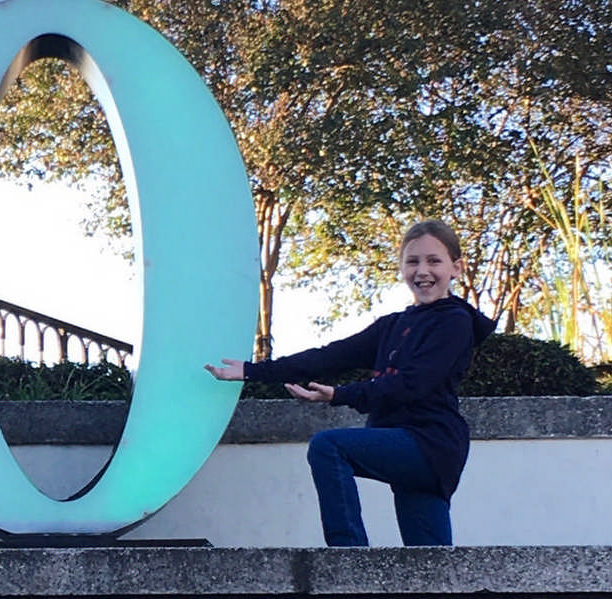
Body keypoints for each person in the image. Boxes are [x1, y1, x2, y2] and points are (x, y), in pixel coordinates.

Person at [205, 220, 496, 547]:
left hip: (429, 444)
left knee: (329, 447)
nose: (422, 271)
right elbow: (328, 357)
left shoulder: (455, 322)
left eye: (434, 261)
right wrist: (251, 371)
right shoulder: (392, 326)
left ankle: (348, 556)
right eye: (412, 261)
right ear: (401, 267)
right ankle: (387, 573)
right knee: (430, 563)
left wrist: (339, 395)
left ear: (456, 268)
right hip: (407, 447)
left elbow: (411, 384)